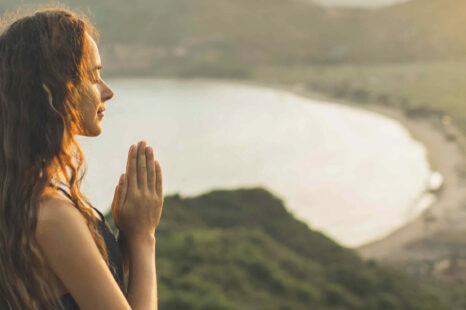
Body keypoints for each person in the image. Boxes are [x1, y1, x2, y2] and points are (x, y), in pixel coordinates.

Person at [0, 5, 164, 310]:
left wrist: (124, 239)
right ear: (53, 89)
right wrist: (144, 239)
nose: (108, 91)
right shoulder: (49, 212)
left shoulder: (29, 191)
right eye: (93, 76)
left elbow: (80, 288)